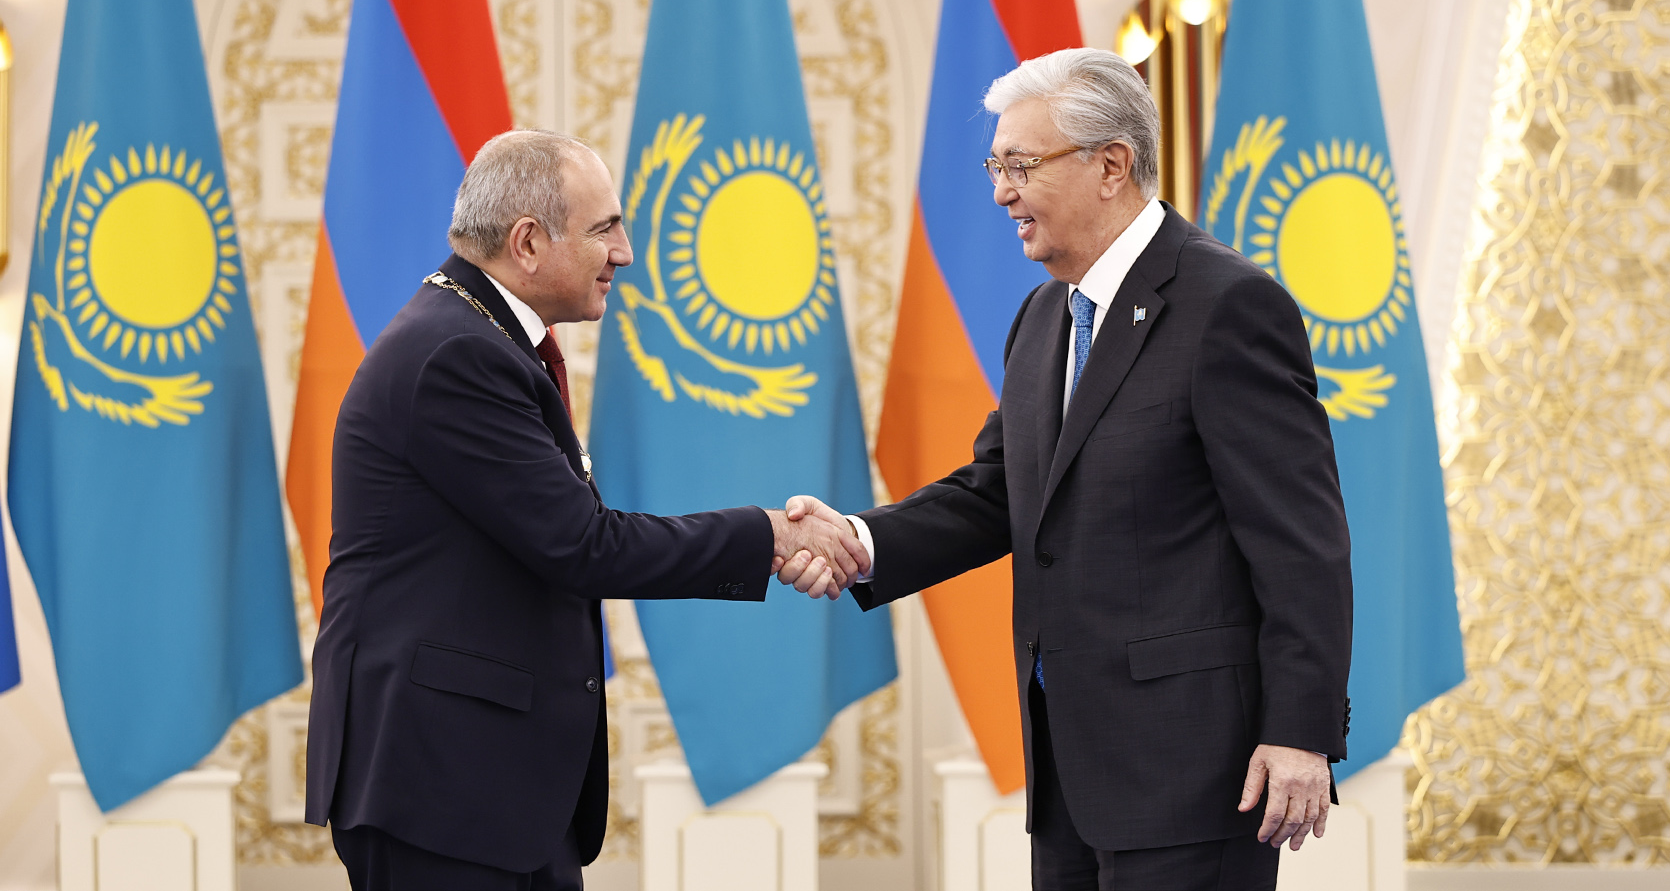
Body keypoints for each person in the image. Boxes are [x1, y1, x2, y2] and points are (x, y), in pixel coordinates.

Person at [786, 48, 1353, 890]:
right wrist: (859, 541)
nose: (1000, 192)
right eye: (995, 167)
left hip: (1195, 774)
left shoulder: (1229, 306)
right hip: (1069, 776)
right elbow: (996, 493)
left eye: (1021, 166)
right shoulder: (1045, 315)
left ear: (1111, 165)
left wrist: (1300, 731)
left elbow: (1302, 543)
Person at [305, 130, 864, 890]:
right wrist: (767, 533)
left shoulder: (481, 337)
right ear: (528, 243)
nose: (624, 253)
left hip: (490, 787)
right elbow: (583, 545)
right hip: (441, 786)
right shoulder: (456, 354)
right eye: (605, 229)